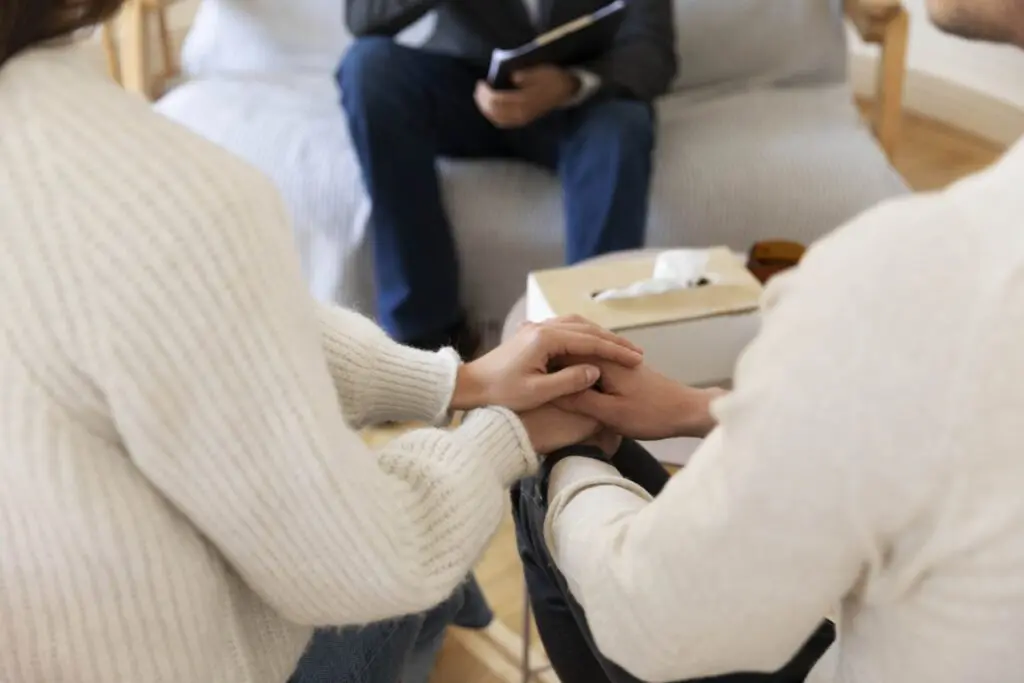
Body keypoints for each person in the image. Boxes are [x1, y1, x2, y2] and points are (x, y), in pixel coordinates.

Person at [0, 2, 646, 681]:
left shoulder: (91, 188)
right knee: (442, 583)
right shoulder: (175, 197)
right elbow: (373, 561)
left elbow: (230, 319)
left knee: (448, 585)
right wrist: (499, 435)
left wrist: (456, 382)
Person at [512, 1, 1024, 681]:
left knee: (543, 487)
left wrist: (569, 455)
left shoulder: (910, 282)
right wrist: (707, 409)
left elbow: (656, 623)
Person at [338, 0, 676, 353]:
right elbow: (363, 19)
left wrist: (570, 84)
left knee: (624, 124)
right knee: (368, 66)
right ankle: (425, 339)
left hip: (578, 101)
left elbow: (653, 48)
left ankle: (591, 347)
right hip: (465, 91)